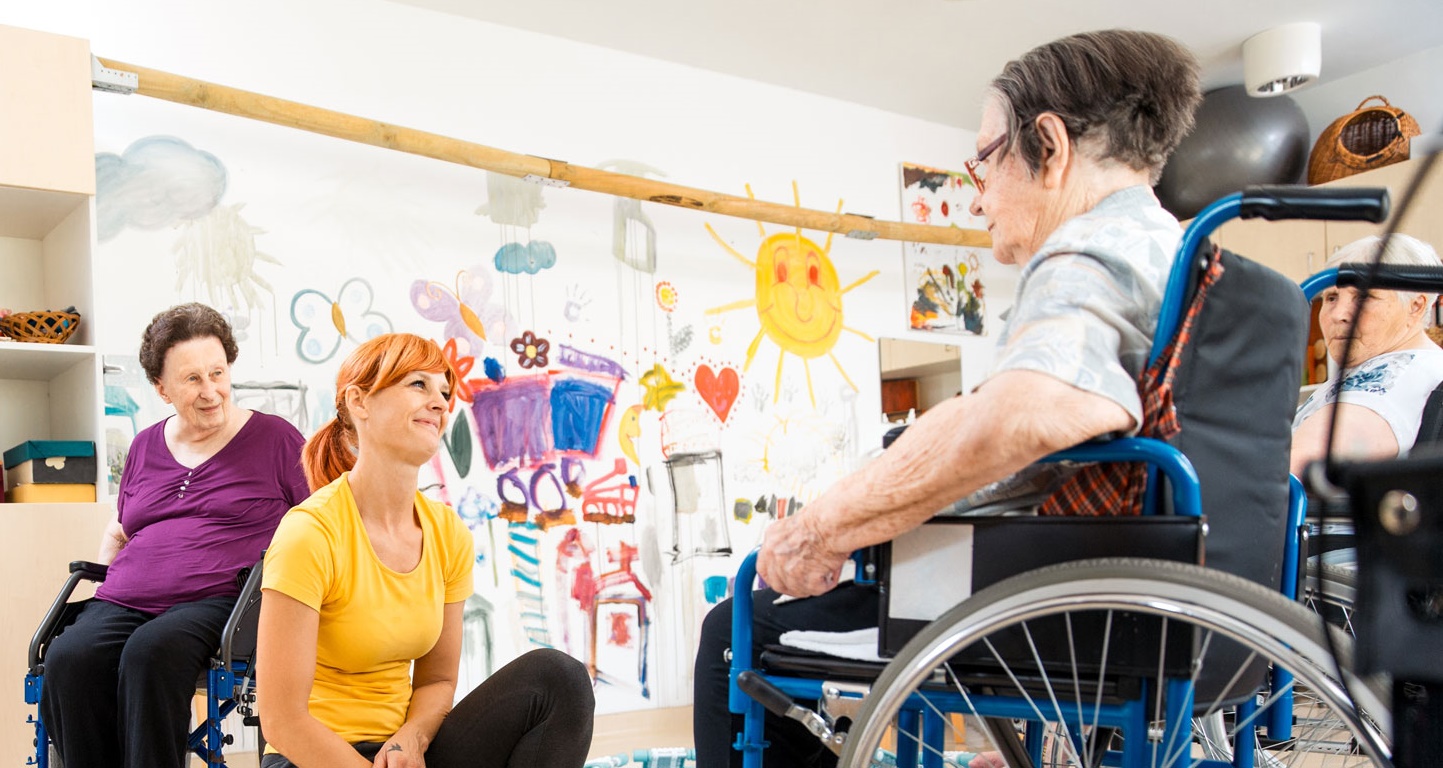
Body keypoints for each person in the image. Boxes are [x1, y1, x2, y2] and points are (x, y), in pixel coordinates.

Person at [695, 29, 1202, 767]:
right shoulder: (1179, 248)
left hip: (1042, 598)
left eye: (985, 160)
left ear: (1049, 145)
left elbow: (1036, 413)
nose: (978, 192)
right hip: (1154, 593)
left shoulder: (1087, 250)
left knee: (735, 625)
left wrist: (823, 526)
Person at [257, 333, 595, 768]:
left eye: (444, 391)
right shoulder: (310, 533)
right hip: (310, 756)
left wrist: (410, 739)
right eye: (418, 384)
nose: (439, 402)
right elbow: (283, 722)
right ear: (359, 402)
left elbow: (437, 679)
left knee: (558, 678)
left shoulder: (447, 533)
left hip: (400, 755)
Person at [39, 302, 310, 768]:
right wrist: (105, 584)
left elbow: (321, 522)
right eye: (192, 379)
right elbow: (122, 528)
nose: (211, 391)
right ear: (162, 389)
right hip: (126, 598)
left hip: (224, 601)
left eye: (217, 373)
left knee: (150, 652)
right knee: (70, 655)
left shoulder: (276, 439)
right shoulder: (145, 445)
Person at [1290, 234, 1443, 475]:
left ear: (1416, 306)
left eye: (1363, 297)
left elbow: (1294, 469)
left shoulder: (1393, 379)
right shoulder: (1411, 363)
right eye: (1331, 297)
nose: (1338, 314)